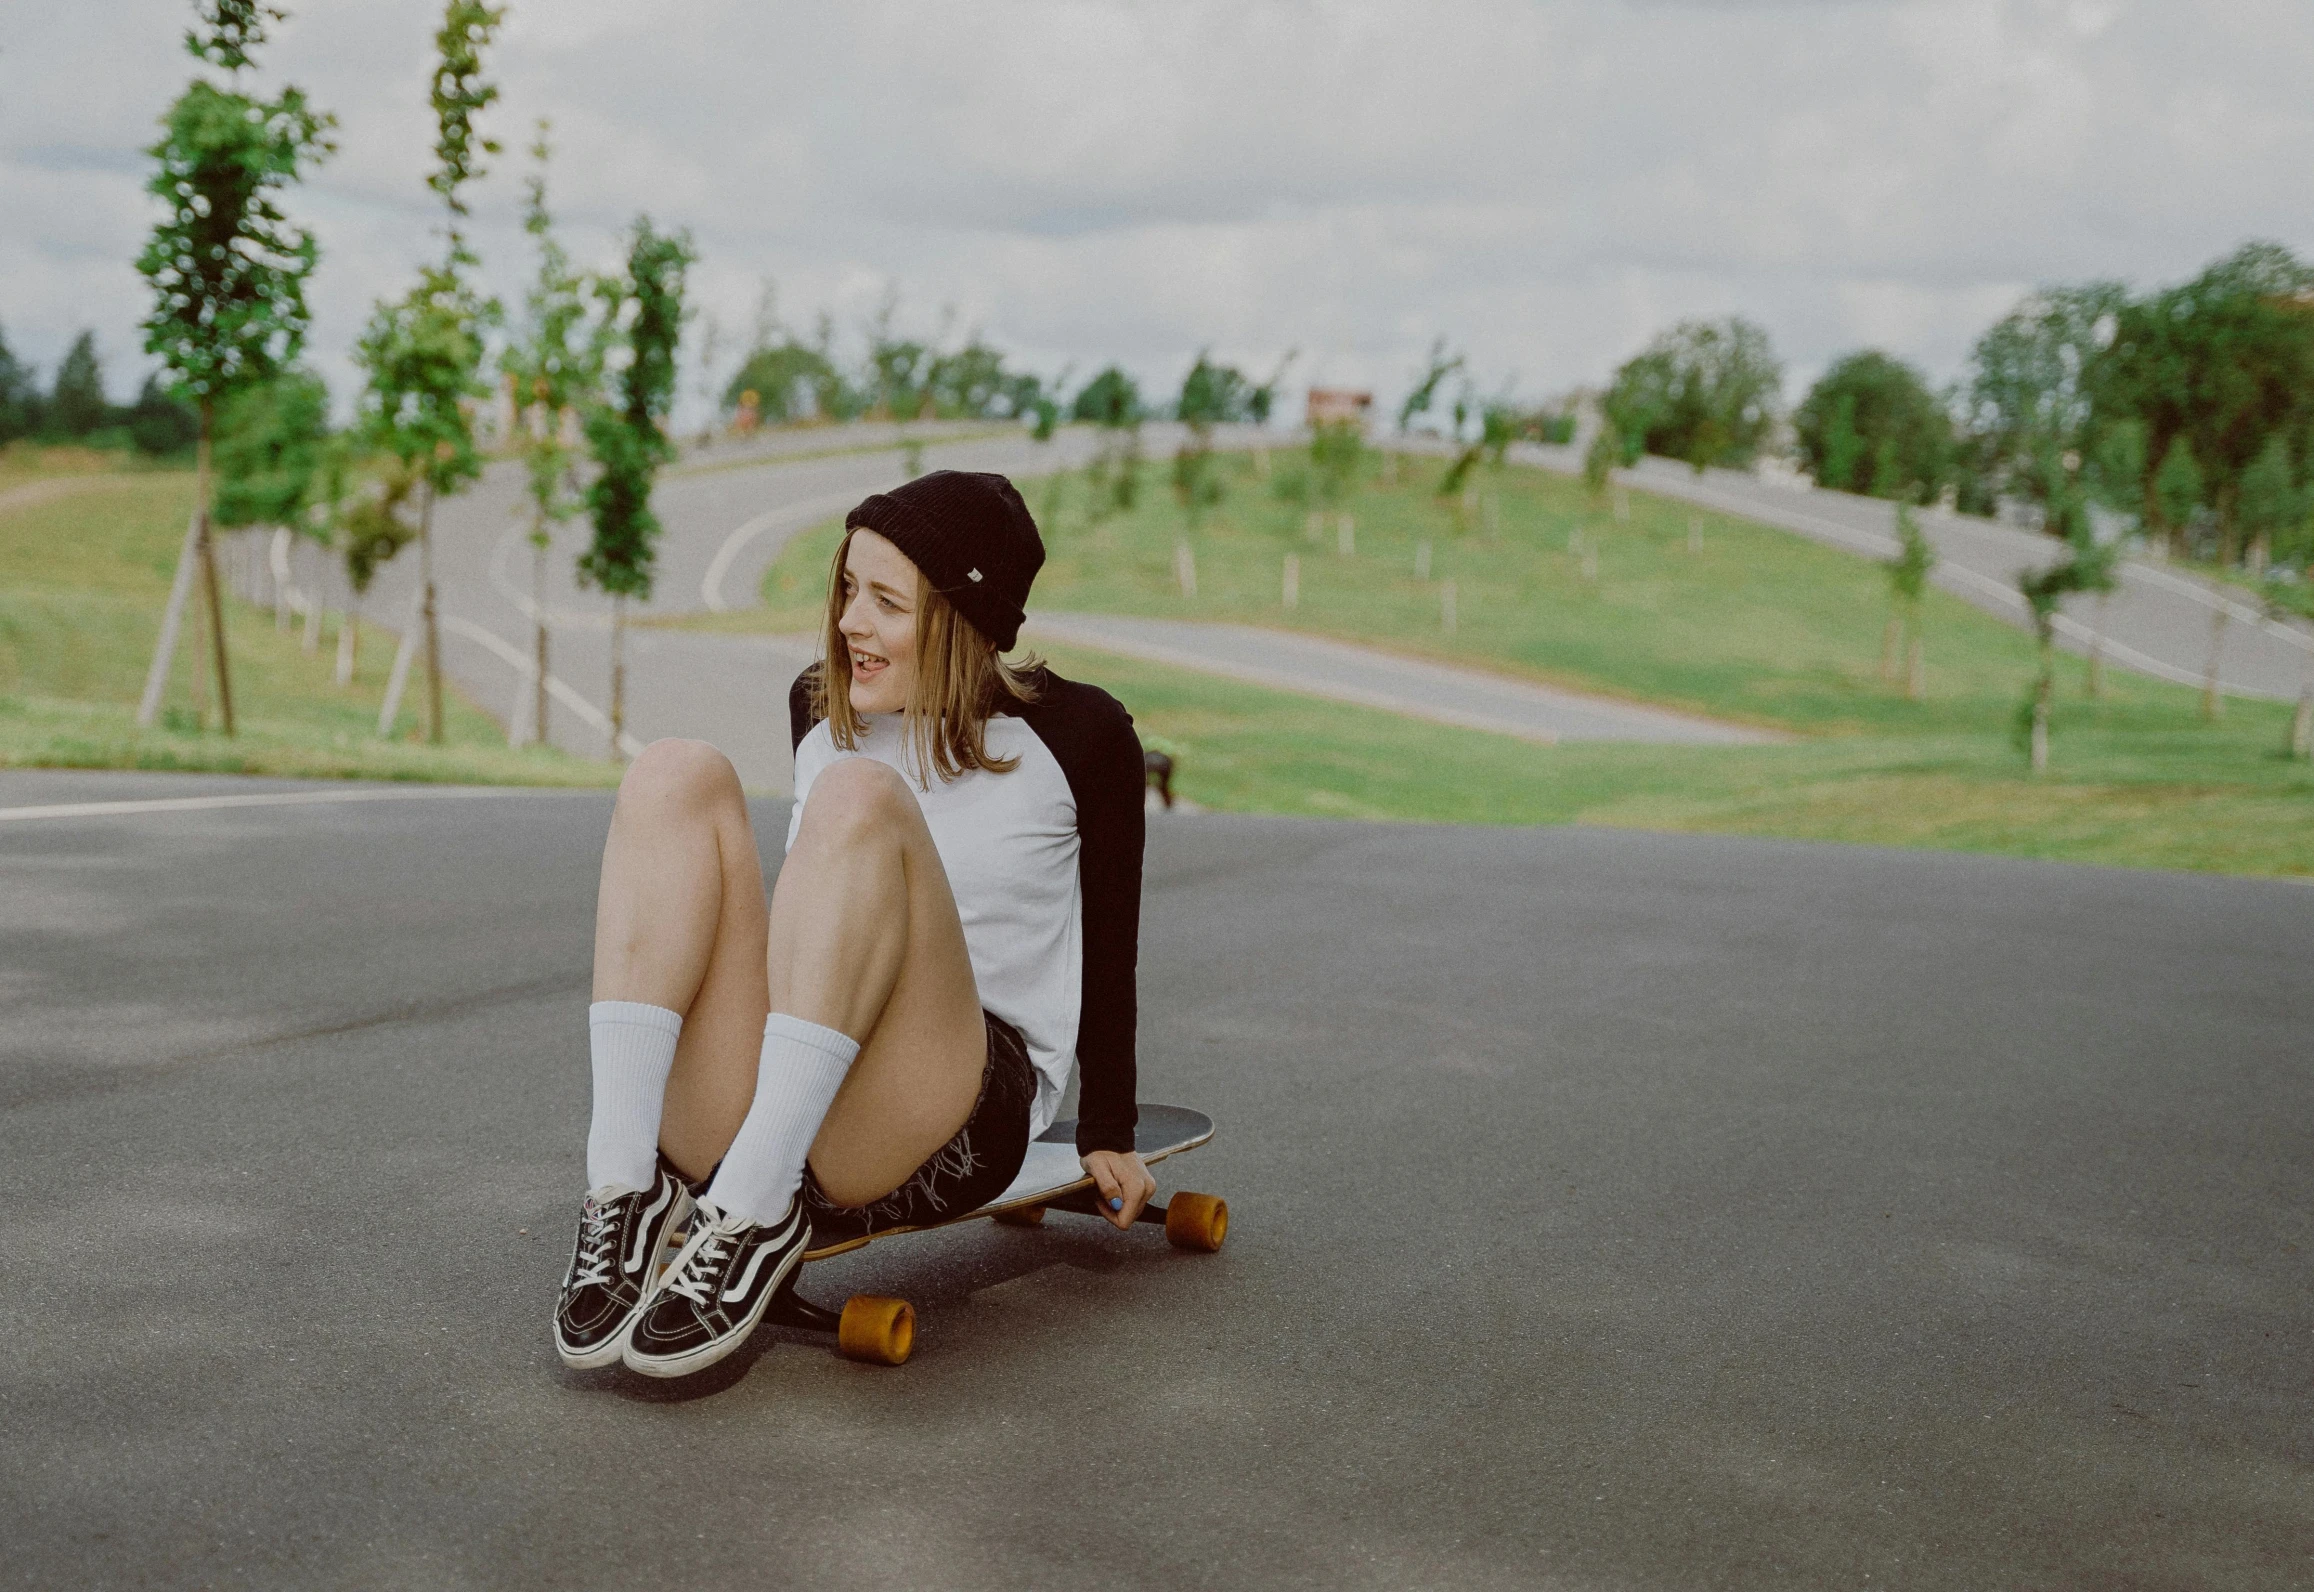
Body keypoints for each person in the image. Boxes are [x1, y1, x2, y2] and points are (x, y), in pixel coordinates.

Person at [553, 470, 1152, 1379]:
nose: (848, 624)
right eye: (845, 589)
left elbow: (1112, 937)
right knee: (672, 771)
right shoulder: (819, 707)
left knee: (860, 796)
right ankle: (623, 1182)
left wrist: (1109, 1125)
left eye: (885, 602)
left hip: (952, 1100)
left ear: (961, 618)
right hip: (797, 1076)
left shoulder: (1082, 733)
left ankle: (754, 1209)